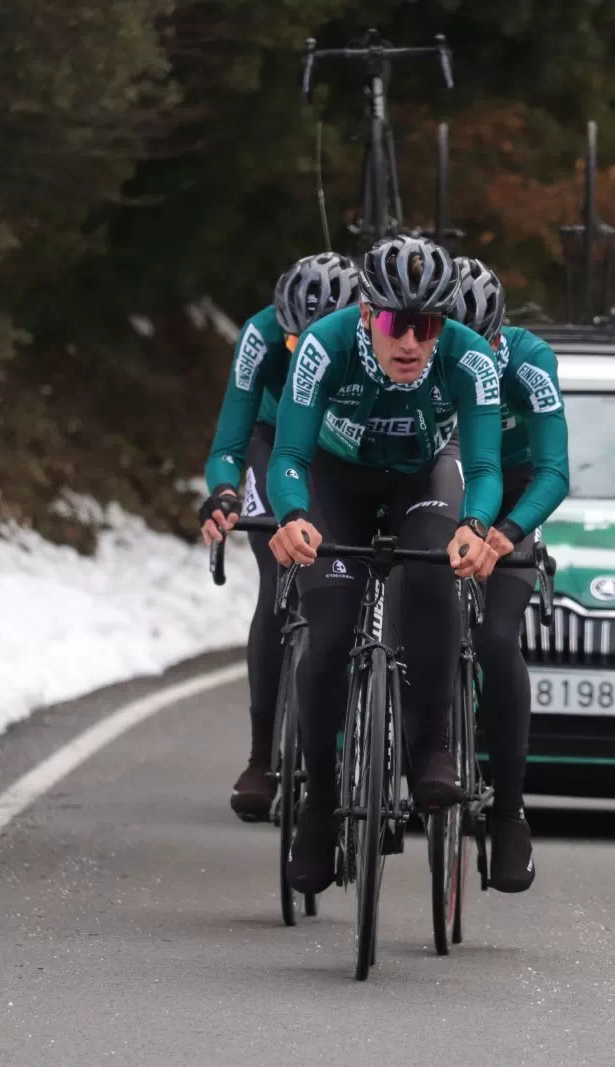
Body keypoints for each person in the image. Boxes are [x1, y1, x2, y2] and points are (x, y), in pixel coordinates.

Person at [265, 234, 504, 895]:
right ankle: (318, 806)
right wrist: (290, 514)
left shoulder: (471, 358)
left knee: (432, 573)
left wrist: (476, 527)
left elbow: (483, 466)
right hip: (335, 482)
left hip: (420, 478)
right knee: (331, 625)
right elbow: (288, 454)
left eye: (427, 327)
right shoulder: (324, 345)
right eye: (398, 324)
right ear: (368, 315)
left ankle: (433, 746)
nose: (411, 344)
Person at [198, 252, 360, 822]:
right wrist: (222, 492)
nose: (303, 357)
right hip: (275, 440)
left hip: (343, 442)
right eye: (293, 346)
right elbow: (229, 440)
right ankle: (261, 755)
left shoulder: (372, 337)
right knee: (278, 575)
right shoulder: (260, 336)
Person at [448, 256, 570, 893]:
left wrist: (511, 532)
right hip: (440, 482)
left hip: (514, 497)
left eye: (484, 344)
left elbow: (554, 470)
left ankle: (509, 811)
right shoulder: (416, 352)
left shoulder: (529, 361)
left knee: (495, 639)